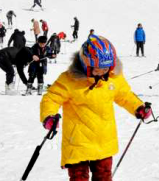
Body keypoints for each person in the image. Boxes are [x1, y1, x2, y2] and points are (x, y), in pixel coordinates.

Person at [39, 35, 151, 180]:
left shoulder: (113, 78)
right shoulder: (69, 80)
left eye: (106, 68)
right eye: (98, 69)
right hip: (77, 142)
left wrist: (138, 107)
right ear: (86, 63)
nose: (102, 72)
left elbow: (125, 95)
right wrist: (48, 116)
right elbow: (51, 98)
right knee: (79, 177)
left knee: (104, 176)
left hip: (104, 140)